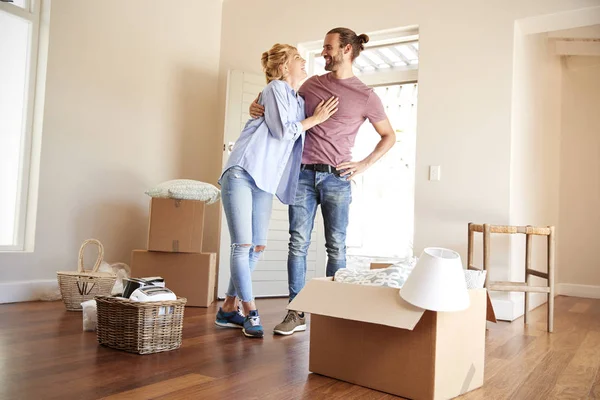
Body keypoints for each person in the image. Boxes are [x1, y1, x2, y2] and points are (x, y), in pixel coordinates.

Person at [249, 28, 396, 336]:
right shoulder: (312, 84)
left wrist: (363, 164)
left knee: (336, 247)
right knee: (298, 244)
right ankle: (296, 312)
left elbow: (389, 136)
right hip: (302, 174)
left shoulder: (366, 96)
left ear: (347, 51)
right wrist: (255, 104)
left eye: (329, 48)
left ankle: (333, 312)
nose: (323, 53)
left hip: (338, 179)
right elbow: (278, 98)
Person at [215, 43, 339, 338]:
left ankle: (227, 308)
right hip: (243, 171)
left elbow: (293, 126)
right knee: (242, 245)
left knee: (257, 247)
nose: (304, 61)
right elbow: (285, 131)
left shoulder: (296, 99)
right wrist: (314, 120)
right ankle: (251, 312)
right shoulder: (274, 89)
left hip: (265, 180)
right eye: (298, 58)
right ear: (284, 67)